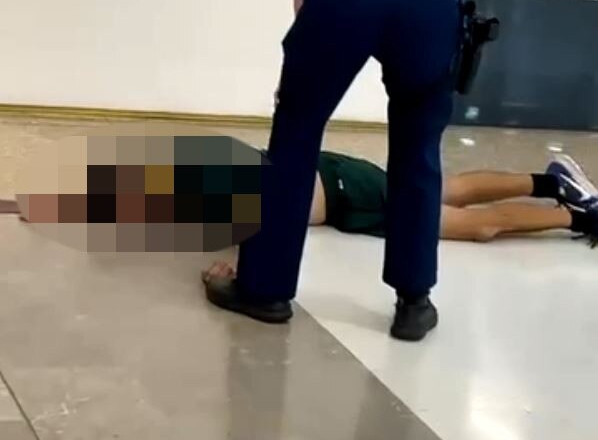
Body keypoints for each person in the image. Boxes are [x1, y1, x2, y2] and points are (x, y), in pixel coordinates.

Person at [204, 0, 466, 341]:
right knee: (419, 148)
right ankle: (414, 302)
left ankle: (266, 290)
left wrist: (299, 65)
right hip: (433, 2)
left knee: (296, 137)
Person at [202, 151, 598, 283]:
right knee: (447, 190)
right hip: (346, 180)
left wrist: (241, 267)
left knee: (476, 226)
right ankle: (552, 183)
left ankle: (579, 217)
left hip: (352, 195)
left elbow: (265, 220)